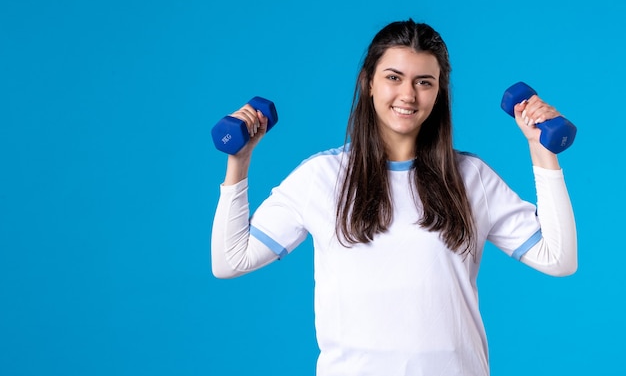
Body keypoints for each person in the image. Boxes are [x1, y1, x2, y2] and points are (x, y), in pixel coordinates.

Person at [211, 19, 577, 376]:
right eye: (393, 78)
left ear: (438, 92)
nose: (408, 95)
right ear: (368, 82)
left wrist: (542, 151)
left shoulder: (471, 177)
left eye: (424, 82)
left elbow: (558, 259)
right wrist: (238, 161)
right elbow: (230, 260)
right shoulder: (321, 178)